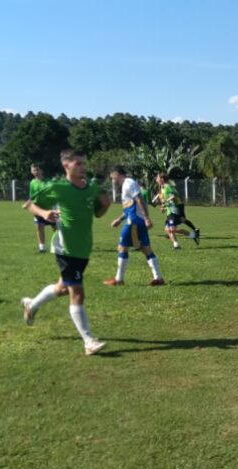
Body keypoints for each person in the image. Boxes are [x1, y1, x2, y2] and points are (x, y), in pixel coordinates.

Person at [20, 149, 111, 356]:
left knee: (62, 288)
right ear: (66, 165)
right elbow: (29, 205)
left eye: (84, 163)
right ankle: (88, 341)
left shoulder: (92, 188)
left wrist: (105, 205)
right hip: (65, 248)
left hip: (83, 247)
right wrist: (44, 212)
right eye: (78, 163)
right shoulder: (57, 188)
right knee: (77, 292)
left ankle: (31, 306)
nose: (83, 167)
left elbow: (98, 214)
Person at [102, 166, 165, 286]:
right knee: (146, 249)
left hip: (134, 221)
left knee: (122, 247)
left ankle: (119, 279)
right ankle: (158, 278)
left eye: (112, 177)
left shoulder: (128, 183)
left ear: (117, 174)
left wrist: (147, 218)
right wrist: (119, 219)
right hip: (136, 220)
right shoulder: (126, 185)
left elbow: (140, 200)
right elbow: (130, 207)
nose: (112, 180)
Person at [152, 173, 199, 249]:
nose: (156, 179)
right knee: (168, 230)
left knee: (172, 229)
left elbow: (172, 196)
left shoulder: (167, 187)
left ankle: (191, 236)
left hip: (173, 210)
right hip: (169, 211)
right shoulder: (162, 188)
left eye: (158, 178)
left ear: (162, 179)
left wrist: (165, 202)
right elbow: (165, 200)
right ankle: (177, 244)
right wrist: (163, 207)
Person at [22, 164, 53, 253]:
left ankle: (59, 245)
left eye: (37, 170)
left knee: (56, 228)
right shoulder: (32, 183)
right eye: (33, 170)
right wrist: (28, 203)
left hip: (49, 208)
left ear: (41, 171)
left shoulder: (49, 182)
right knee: (39, 226)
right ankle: (42, 248)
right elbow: (32, 196)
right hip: (38, 208)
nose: (35, 172)